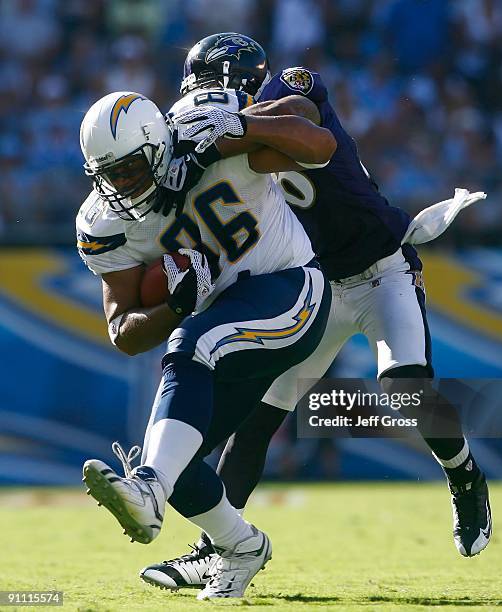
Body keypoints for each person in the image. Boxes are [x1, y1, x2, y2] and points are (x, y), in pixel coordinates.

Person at [139, 32, 492, 591]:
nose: (205, 102)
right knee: (259, 418)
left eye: (213, 88)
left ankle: (464, 475)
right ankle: (218, 550)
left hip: (381, 268)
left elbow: (306, 123)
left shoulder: (284, 93)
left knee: (406, 387)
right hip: (315, 285)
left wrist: (238, 126)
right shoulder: (214, 145)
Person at [78, 80, 336, 599]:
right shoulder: (105, 221)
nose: (123, 185)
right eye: (110, 175)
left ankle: (148, 487)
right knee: (183, 463)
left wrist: (244, 126)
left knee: (189, 346)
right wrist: (174, 303)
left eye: (130, 168)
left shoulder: (206, 138)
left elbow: (321, 145)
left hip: (291, 290)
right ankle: (241, 545)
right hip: (228, 329)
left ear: (157, 146)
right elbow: (123, 332)